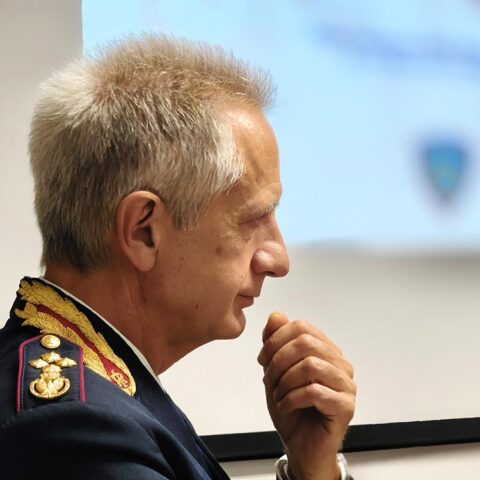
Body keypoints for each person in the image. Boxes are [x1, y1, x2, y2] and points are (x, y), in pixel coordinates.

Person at [0, 34, 356, 479]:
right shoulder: (73, 430)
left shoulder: (100, 392)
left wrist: (313, 465)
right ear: (143, 231)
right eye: (252, 219)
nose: (278, 259)